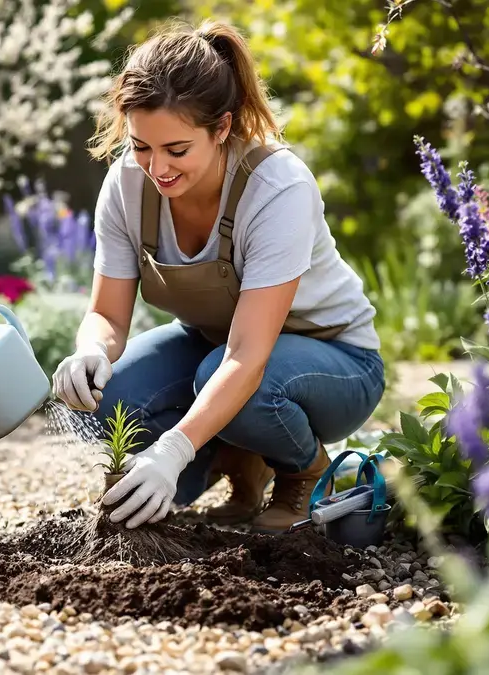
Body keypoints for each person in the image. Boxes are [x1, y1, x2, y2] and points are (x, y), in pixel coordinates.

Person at [51, 18, 385, 532]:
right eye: (141, 146)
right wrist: (91, 350)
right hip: (215, 347)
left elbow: (246, 357)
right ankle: (238, 458)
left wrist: (173, 449)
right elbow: (106, 314)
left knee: (231, 382)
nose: (156, 168)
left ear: (222, 128)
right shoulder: (126, 186)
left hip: (335, 362)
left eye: (177, 150)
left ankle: (304, 470)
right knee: (108, 398)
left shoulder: (276, 187)